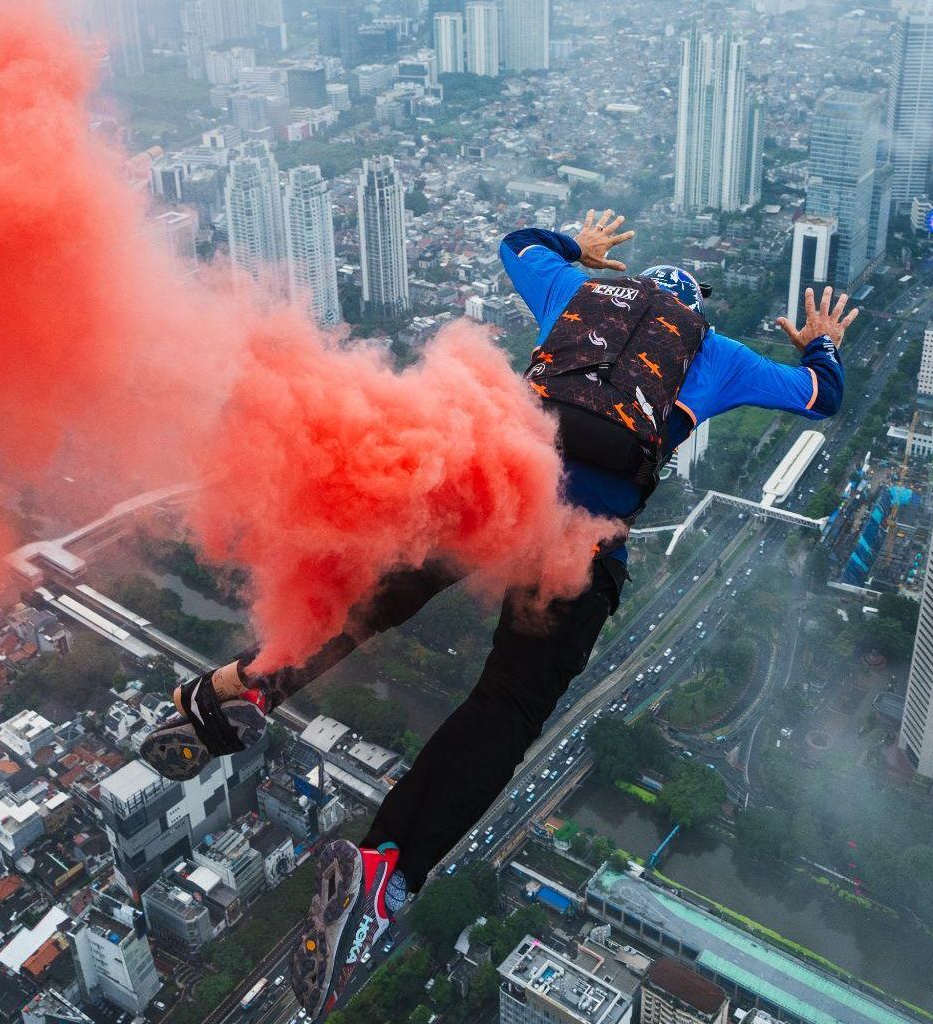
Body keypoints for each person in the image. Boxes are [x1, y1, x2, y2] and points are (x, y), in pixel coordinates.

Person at [138, 210, 857, 1017]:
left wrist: (575, 248)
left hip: (497, 490)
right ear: (697, 313)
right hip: (579, 544)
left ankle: (242, 686)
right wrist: (817, 342)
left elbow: (514, 243)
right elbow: (822, 398)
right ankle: (385, 868)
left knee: (381, 601)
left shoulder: (578, 292)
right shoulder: (715, 354)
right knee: (508, 703)